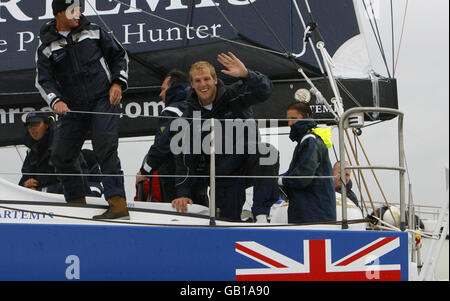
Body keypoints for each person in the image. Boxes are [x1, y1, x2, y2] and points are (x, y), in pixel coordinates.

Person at [35, 0, 129, 219]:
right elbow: (43, 80)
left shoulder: (94, 31)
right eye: (72, 11)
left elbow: (119, 56)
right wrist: (55, 100)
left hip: (102, 99)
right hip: (71, 107)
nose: (78, 14)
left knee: (105, 146)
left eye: (79, 9)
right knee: (61, 156)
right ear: (59, 13)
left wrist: (117, 83)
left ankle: (118, 205)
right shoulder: (45, 46)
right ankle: (77, 205)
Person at [172, 52, 278, 221]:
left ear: (215, 80)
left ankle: (261, 215)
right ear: (191, 84)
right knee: (225, 221)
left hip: (248, 163)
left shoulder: (233, 95)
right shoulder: (188, 118)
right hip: (223, 174)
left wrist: (247, 75)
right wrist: (183, 193)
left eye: (206, 79)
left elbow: (264, 91)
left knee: (266, 151)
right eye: (198, 81)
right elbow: (184, 159)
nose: (203, 84)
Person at [138, 70, 208, 205]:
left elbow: (162, 144)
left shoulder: (171, 111)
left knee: (177, 215)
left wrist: (145, 171)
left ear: (173, 89)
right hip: (201, 174)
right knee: (201, 210)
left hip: (175, 176)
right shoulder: (197, 107)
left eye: (163, 89)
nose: (160, 94)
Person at [279, 102, 336, 223]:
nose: (289, 124)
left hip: (311, 212)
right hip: (317, 210)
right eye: (288, 120)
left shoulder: (309, 141)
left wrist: (280, 180)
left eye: (293, 119)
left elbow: (302, 176)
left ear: (306, 116)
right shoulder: (310, 139)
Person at [19, 112, 62, 193]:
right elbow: (22, 182)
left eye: (36, 124)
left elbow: (73, 182)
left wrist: (40, 191)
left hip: (64, 201)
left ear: (47, 125)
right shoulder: (31, 153)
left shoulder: (62, 147)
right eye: (29, 126)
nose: (32, 128)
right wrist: (26, 184)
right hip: (39, 200)